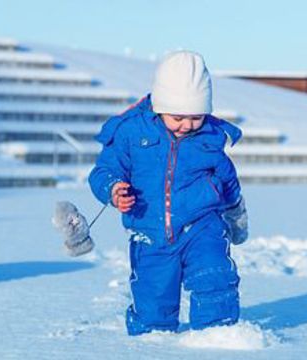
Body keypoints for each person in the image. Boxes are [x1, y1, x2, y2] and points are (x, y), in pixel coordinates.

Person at [86, 50, 249, 335]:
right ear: (160, 106)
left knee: (215, 276)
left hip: (202, 225)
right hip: (150, 230)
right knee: (154, 300)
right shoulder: (131, 132)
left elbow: (228, 180)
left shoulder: (210, 137)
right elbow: (104, 170)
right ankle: (153, 342)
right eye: (178, 117)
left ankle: (218, 335)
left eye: (196, 117)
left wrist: (235, 215)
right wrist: (113, 189)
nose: (187, 125)